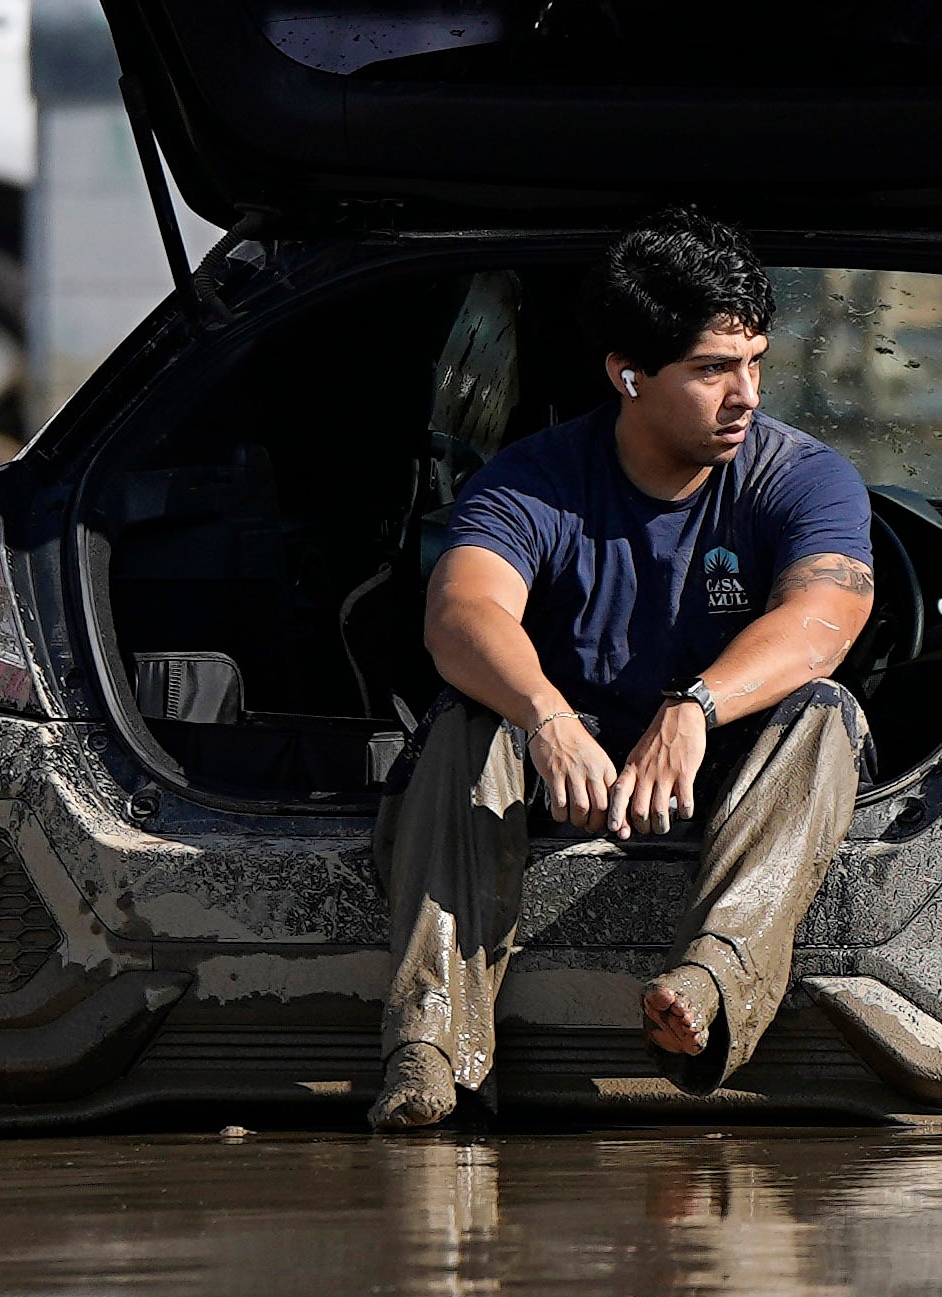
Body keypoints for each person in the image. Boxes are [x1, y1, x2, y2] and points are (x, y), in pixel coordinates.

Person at [370, 211, 876, 1131]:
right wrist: (546, 717)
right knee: (463, 720)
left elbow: (823, 619)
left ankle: (709, 984)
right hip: (563, 769)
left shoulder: (804, 476)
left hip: (726, 773)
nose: (746, 395)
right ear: (628, 374)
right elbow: (462, 614)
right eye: (713, 370)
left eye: (756, 362)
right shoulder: (532, 482)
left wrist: (695, 708)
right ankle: (431, 1050)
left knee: (824, 712)